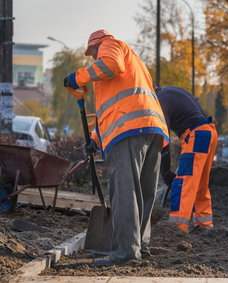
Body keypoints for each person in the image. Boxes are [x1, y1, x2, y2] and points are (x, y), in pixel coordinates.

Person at [63, 29, 169, 265]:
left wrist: (78, 77)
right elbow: (114, 111)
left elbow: (111, 64)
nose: (93, 58)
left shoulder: (111, 46)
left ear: (97, 44)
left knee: (125, 192)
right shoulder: (136, 66)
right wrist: (95, 140)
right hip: (152, 129)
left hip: (129, 133)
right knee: (143, 192)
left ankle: (125, 252)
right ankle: (141, 246)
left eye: (93, 52)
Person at [156, 86, 218, 232]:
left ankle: (177, 228)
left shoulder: (158, 101)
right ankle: (204, 224)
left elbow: (163, 139)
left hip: (196, 135)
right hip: (209, 132)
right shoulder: (170, 91)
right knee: (199, 183)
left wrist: (165, 173)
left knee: (183, 183)